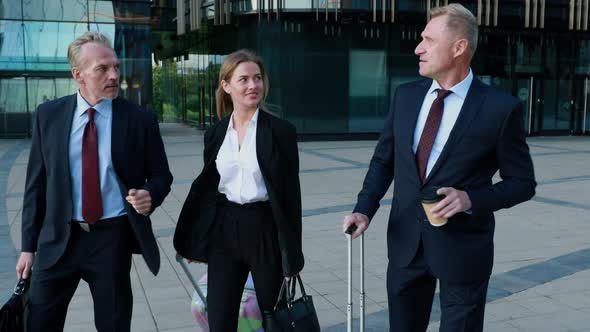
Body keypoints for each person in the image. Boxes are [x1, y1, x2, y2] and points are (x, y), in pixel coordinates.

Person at [342, 4, 536, 331]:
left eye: (428, 40)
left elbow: (522, 182)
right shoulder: (405, 97)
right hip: (405, 246)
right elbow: (383, 161)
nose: (418, 48)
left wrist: (471, 199)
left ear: (459, 48)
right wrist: (363, 210)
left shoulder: (501, 108)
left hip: (463, 251)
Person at [15, 31, 173, 331]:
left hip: (111, 241)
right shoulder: (48, 115)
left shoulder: (140, 119)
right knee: (38, 324)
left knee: (114, 325)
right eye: (102, 69)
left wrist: (150, 195)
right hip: (58, 240)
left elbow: (162, 175)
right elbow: (35, 186)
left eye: (115, 66)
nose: (114, 75)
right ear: (78, 74)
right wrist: (27, 247)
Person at [174, 49, 304, 332]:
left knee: (274, 320)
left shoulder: (281, 131)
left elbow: (291, 197)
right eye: (243, 79)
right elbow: (211, 193)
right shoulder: (216, 133)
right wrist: (202, 238)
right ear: (226, 85)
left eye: (257, 78)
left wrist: (292, 253)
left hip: (265, 230)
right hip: (226, 232)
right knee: (219, 320)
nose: (252, 85)